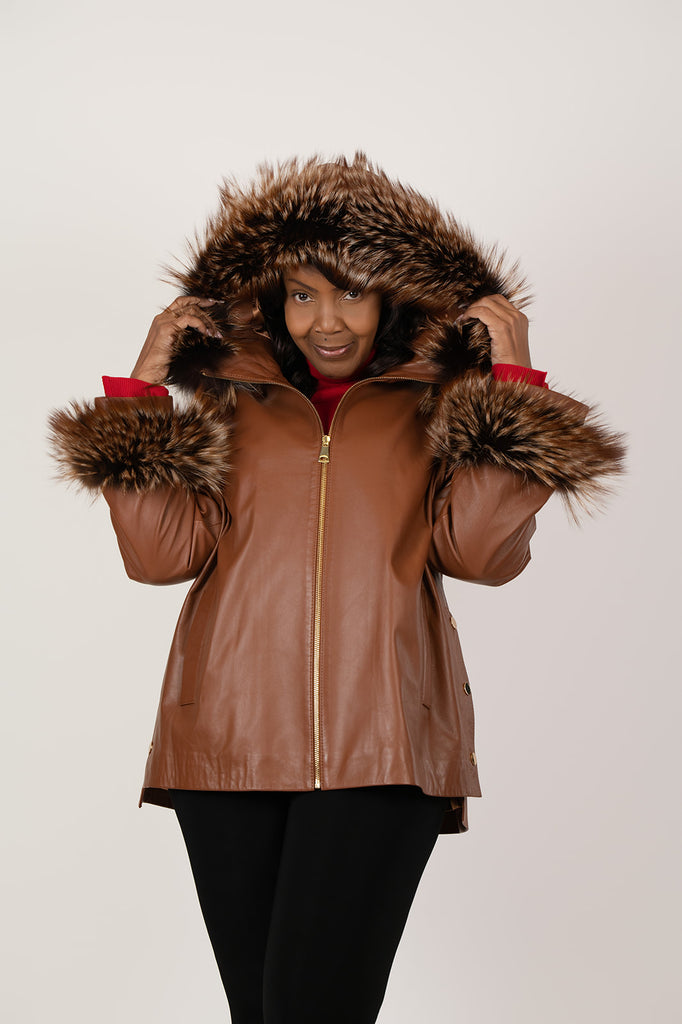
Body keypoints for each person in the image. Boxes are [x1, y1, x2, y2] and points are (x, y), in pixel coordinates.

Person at [49, 153, 625, 1024]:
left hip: (383, 746)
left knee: (312, 1007)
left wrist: (513, 387)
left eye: (351, 292)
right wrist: (141, 391)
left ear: (391, 297)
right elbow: (160, 556)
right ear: (271, 302)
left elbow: (479, 553)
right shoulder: (232, 404)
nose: (326, 319)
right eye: (302, 294)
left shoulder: (437, 406)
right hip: (225, 747)